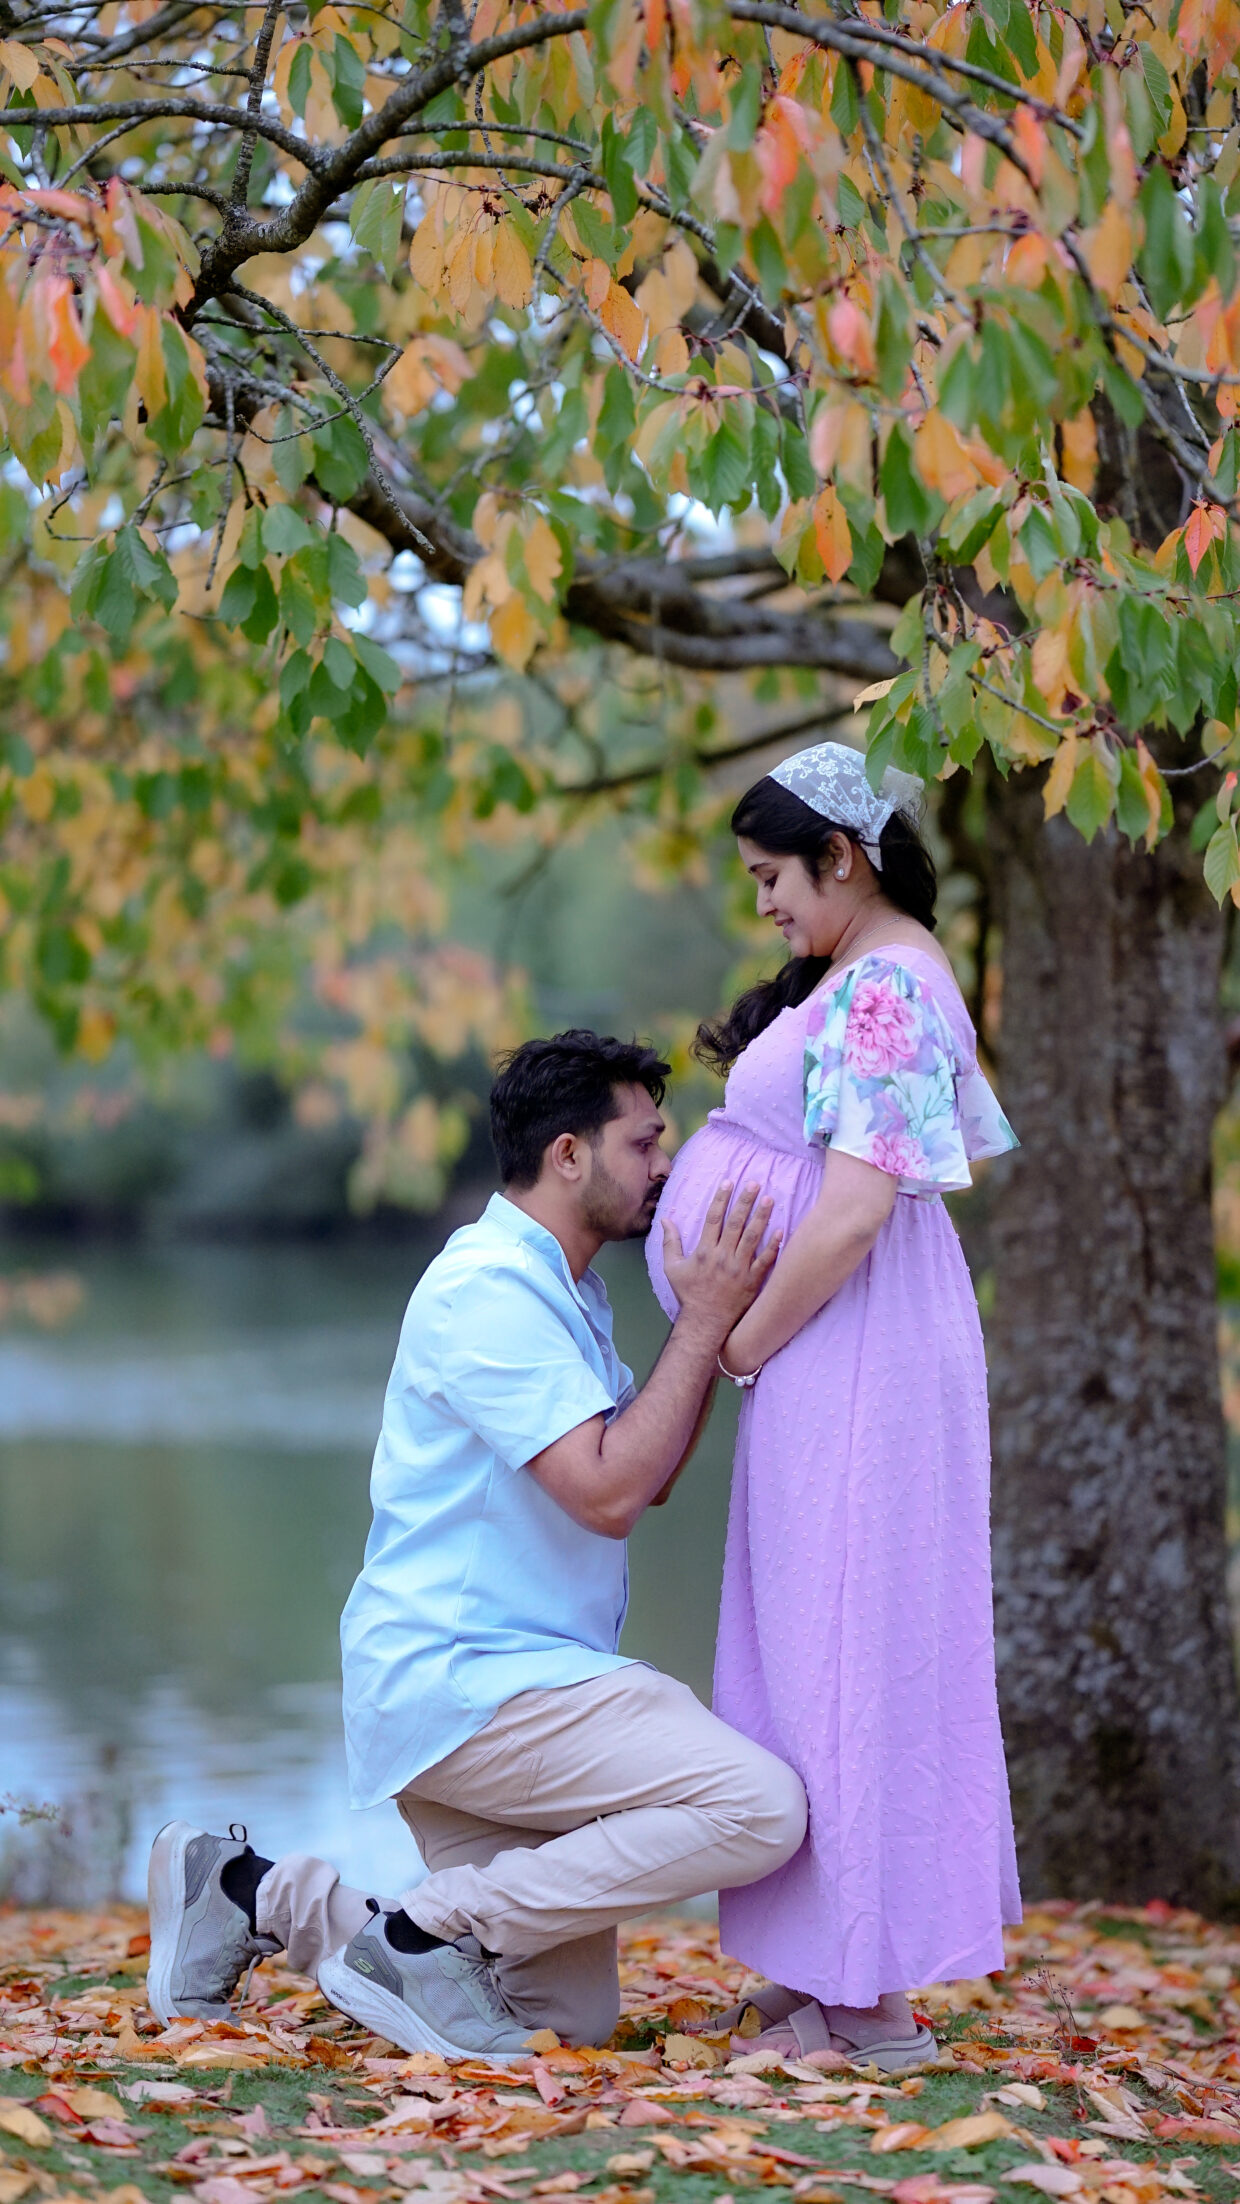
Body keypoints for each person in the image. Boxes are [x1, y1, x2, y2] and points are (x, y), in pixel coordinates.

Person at [146, 1030, 806, 2060]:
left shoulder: (567, 1288)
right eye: (646, 1142)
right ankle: (428, 1926)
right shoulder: (488, 1290)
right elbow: (608, 1491)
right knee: (758, 1805)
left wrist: (710, 1327)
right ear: (569, 1156)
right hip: (471, 1686)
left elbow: (653, 1468)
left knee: (560, 2022)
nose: (666, 1165)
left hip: (496, 1689)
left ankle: (250, 1892)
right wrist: (705, 1319)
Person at [646, 741, 1022, 2072]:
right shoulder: (868, 979)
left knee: (856, 1651)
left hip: (854, 1346)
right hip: (841, 1346)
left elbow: (861, 1205)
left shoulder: (890, 990)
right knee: (814, 1653)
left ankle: (870, 2006)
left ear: (842, 857)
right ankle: (828, 1972)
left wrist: (735, 1338)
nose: (764, 907)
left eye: (772, 877)